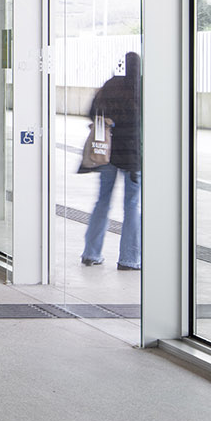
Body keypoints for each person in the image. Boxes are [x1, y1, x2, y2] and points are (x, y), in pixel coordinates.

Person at [81, 51, 142, 271]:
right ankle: (130, 259)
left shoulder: (110, 85)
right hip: (133, 156)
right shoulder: (143, 88)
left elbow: (92, 113)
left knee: (102, 201)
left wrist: (110, 122)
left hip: (105, 153)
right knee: (132, 205)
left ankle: (91, 253)